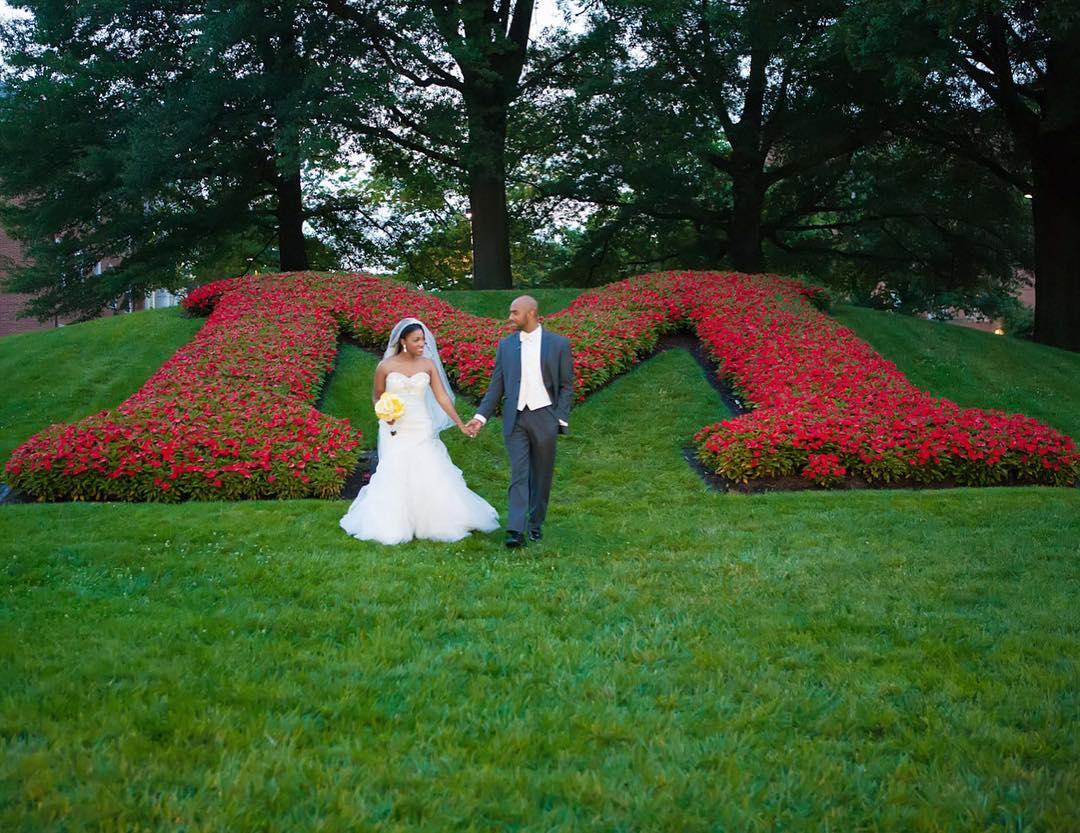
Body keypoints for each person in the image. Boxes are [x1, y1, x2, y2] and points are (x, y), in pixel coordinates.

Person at [340, 318, 499, 545]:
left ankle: (435, 521)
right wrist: (383, 412)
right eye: (416, 340)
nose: (422, 344)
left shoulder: (428, 365)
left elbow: (442, 397)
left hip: (422, 424)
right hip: (395, 427)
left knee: (429, 469)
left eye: (423, 340)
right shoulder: (385, 367)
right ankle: (394, 523)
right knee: (396, 471)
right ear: (403, 341)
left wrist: (460, 423)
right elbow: (377, 395)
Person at [465, 296, 574, 548]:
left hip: (544, 416)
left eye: (515, 313)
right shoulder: (506, 346)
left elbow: (567, 385)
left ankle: (535, 524)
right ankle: (515, 529)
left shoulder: (558, 344)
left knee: (542, 475)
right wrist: (480, 417)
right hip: (515, 419)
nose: (510, 317)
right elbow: (496, 386)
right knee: (519, 473)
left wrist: (559, 417)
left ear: (531, 313)